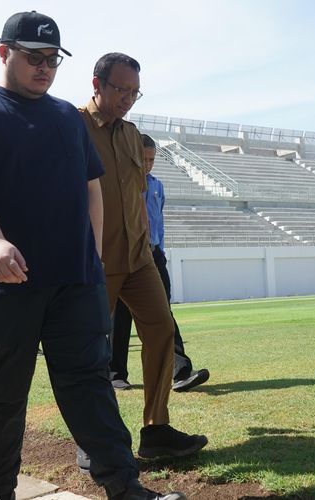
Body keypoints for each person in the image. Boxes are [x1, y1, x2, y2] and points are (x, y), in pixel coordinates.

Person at [0, 11, 185, 500]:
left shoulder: (66, 118)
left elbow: (92, 188)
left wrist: (92, 253)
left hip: (75, 278)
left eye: (53, 59)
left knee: (90, 384)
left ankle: (124, 486)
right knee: (6, 392)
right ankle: (0, 491)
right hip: (8, 282)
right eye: (34, 57)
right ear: (4, 52)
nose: (45, 67)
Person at [80, 53, 207, 459]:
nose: (128, 99)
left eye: (135, 92)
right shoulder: (72, 125)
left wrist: (148, 246)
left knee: (161, 332)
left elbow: (135, 195)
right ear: (96, 83)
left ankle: (156, 429)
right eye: (121, 89)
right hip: (95, 260)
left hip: (139, 257)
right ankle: (92, 439)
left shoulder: (134, 135)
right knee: (90, 349)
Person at [109, 135, 209, 392]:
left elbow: (159, 223)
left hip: (151, 255)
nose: (147, 164)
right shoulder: (119, 184)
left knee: (163, 312)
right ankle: (114, 373)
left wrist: (159, 252)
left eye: (151, 159)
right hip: (123, 253)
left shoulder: (157, 187)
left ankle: (180, 371)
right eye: (143, 159)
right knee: (119, 317)